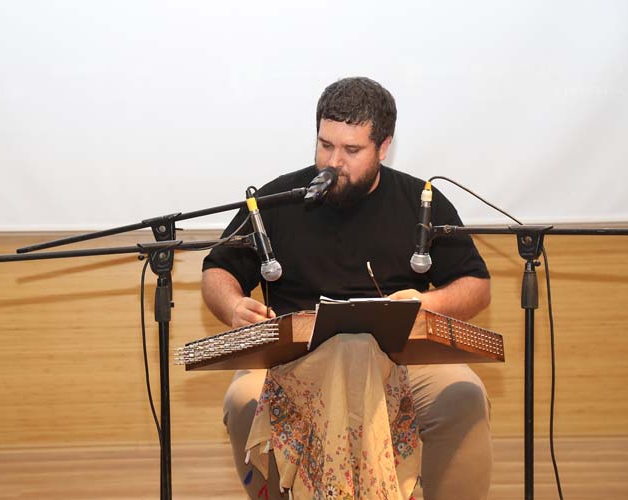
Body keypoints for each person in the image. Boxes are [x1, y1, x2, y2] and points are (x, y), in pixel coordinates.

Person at [201, 77, 492, 500]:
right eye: (325, 145)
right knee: (243, 401)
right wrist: (233, 306)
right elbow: (217, 270)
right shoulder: (279, 199)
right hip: (294, 360)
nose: (333, 161)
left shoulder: (421, 201)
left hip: (399, 359)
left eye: (351, 150)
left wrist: (426, 302)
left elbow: (477, 286)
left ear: (383, 147)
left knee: (463, 396)